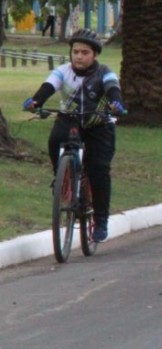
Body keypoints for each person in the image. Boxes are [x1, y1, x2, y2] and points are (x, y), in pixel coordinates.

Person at [22, 29, 125, 243]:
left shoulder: (105, 72)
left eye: (84, 52)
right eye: (75, 51)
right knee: (55, 140)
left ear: (94, 55)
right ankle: (62, 178)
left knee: (98, 168)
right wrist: (36, 102)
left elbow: (112, 88)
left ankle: (101, 219)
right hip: (70, 118)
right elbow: (48, 87)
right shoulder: (63, 71)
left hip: (99, 123)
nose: (78, 56)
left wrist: (116, 104)